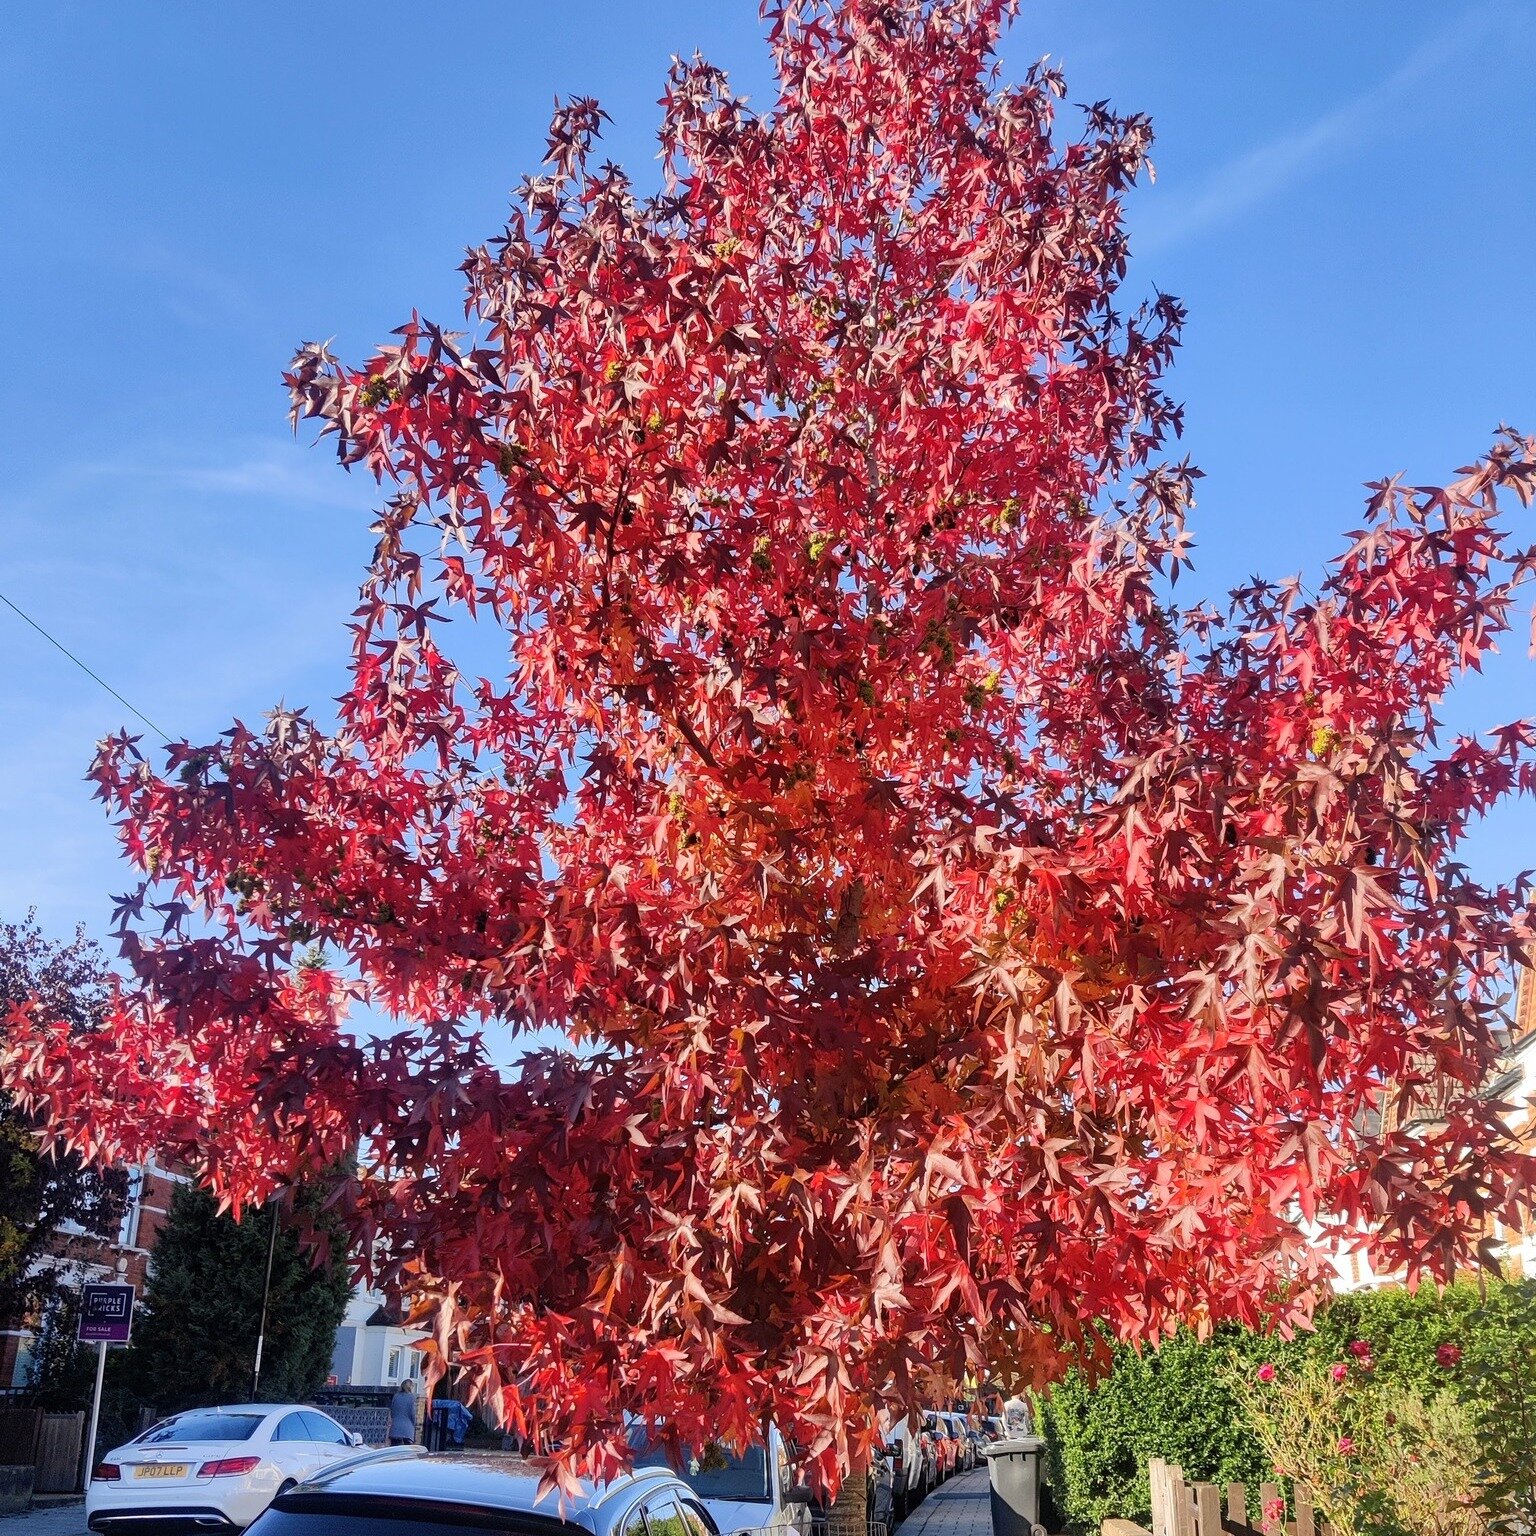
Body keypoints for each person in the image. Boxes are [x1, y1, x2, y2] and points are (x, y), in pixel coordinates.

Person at [389, 1378, 418, 1446]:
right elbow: (412, 1413)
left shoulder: (396, 1396)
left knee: (394, 1450)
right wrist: (414, 1424)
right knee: (406, 1452)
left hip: (395, 1428)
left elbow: (392, 1411)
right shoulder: (411, 1398)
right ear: (410, 1387)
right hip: (407, 1429)